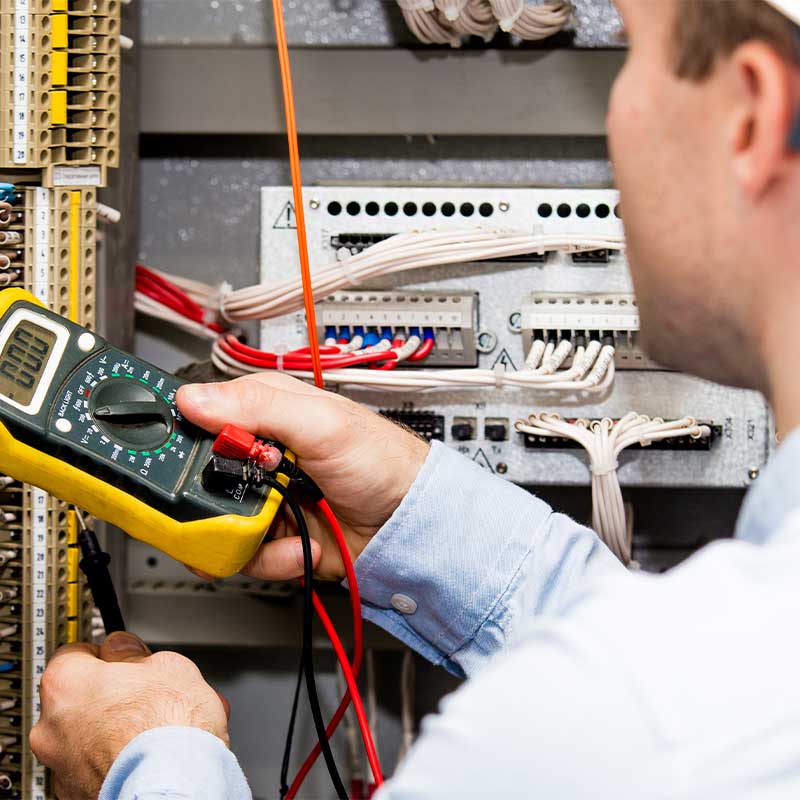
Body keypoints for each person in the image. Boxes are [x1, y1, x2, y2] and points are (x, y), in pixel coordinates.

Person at [30, 0, 800, 797]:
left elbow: (639, 704)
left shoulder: (632, 728)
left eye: (630, 50)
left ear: (751, 112)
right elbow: (660, 663)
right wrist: (410, 510)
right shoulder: (727, 667)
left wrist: (150, 756)